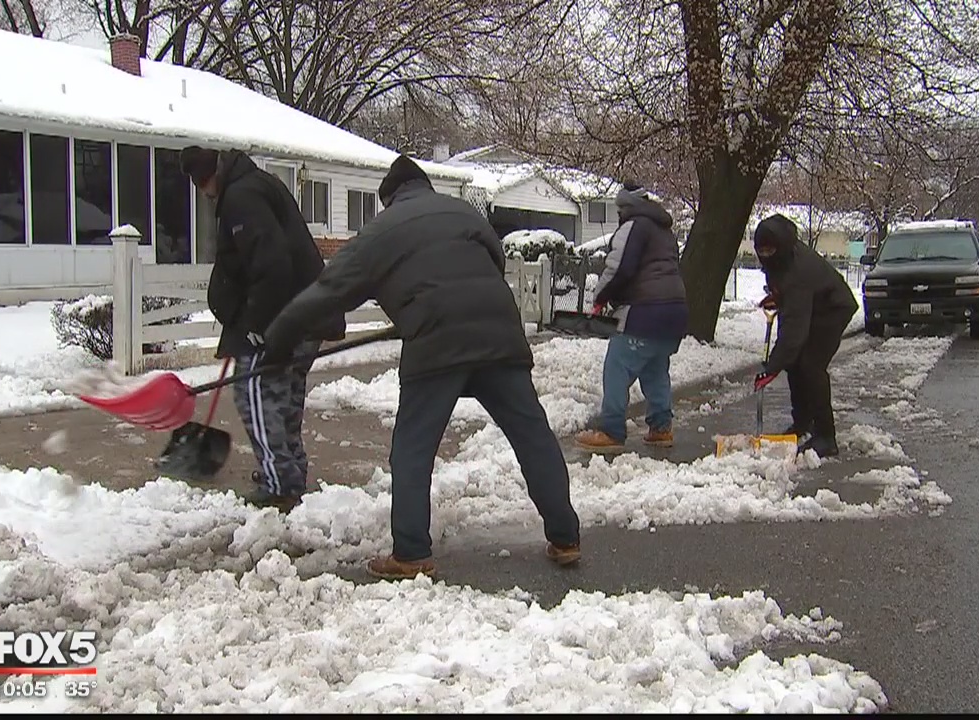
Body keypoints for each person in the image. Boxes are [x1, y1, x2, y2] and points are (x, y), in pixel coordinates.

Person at [264, 154, 582, 580]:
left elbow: (330, 289)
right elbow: (493, 260)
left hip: (435, 341)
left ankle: (411, 552)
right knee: (531, 435)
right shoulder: (463, 212)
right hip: (499, 332)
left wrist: (279, 338)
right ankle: (565, 537)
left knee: (413, 447)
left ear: (389, 198)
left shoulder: (383, 230)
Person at [178, 146, 346, 510]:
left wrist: (257, 325)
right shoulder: (255, 186)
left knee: (254, 392)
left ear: (205, 180)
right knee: (282, 397)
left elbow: (271, 264)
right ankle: (289, 473)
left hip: (286, 317)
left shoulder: (241, 197)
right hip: (306, 314)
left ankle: (279, 483)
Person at [574, 183, 688, 453]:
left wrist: (600, 297)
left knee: (617, 364)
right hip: (675, 311)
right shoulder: (665, 231)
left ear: (625, 207)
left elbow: (619, 267)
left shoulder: (634, 226)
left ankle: (611, 430)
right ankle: (661, 428)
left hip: (647, 310)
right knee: (654, 368)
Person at [751, 213, 859, 457]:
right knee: (796, 364)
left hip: (833, 309)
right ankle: (802, 423)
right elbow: (788, 294)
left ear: (781, 246)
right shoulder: (782, 257)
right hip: (814, 304)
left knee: (810, 365)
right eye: (762, 251)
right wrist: (778, 297)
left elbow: (794, 334)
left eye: (770, 250)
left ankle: (826, 436)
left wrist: (772, 366)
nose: (766, 256)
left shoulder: (797, 271)